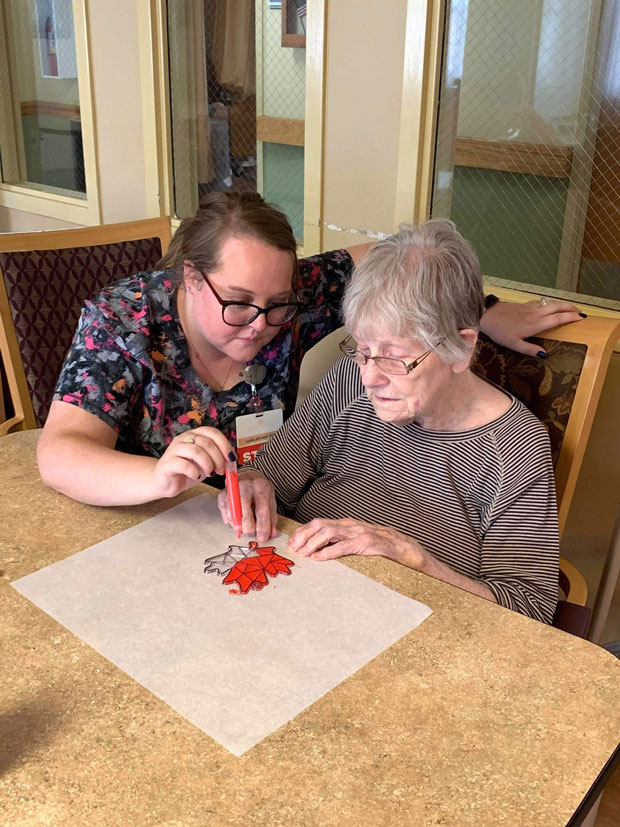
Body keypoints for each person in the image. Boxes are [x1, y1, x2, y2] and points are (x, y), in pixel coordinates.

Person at [38, 191, 584, 509]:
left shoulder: (296, 297)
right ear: (191, 278)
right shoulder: (124, 319)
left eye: (278, 304)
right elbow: (60, 452)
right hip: (152, 516)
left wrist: (480, 311)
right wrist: (154, 478)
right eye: (239, 303)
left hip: (260, 515)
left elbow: (402, 263)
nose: (259, 325)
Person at [218, 220, 560, 623]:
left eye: (395, 357)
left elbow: (531, 610)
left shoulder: (516, 449)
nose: (370, 377)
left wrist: (414, 560)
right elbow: (272, 478)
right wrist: (253, 485)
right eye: (362, 348)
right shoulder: (350, 379)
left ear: (460, 349)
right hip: (291, 606)